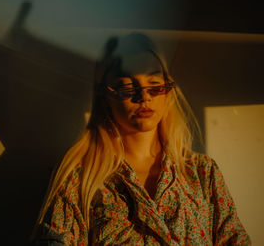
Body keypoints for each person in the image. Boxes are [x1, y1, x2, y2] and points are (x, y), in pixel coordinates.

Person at [32, 33, 250, 245]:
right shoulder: (80, 178)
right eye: (127, 86)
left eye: (154, 84)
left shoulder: (202, 173)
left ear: (167, 91)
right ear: (105, 96)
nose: (143, 96)